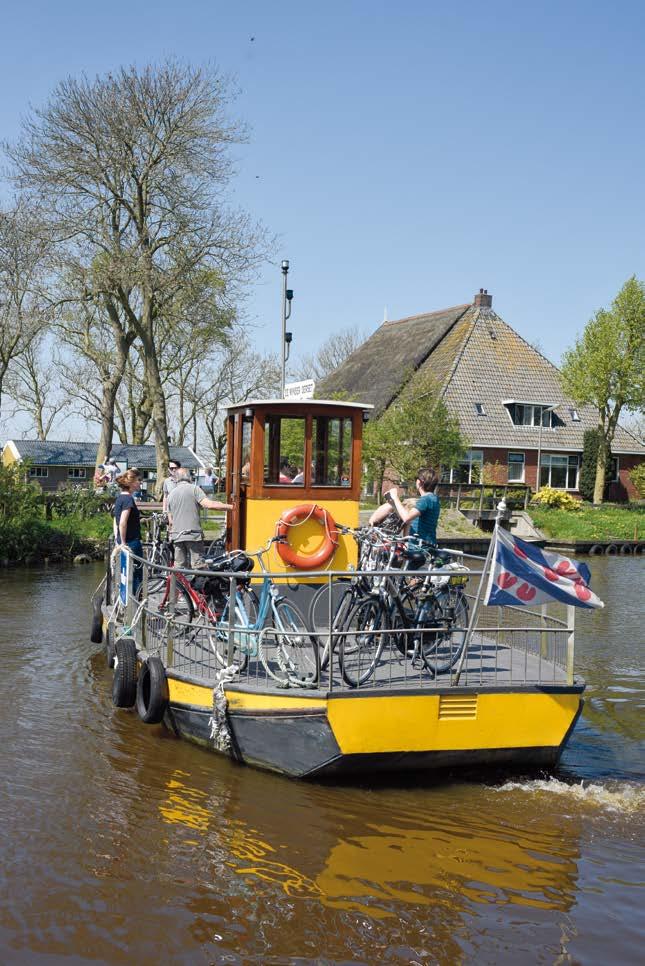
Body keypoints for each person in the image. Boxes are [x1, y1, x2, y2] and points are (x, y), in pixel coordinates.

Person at [167, 467, 234, 570]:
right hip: (193, 535)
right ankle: (198, 586)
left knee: (179, 568)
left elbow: (170, 518)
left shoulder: (171, 494)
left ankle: (177, 586)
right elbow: (209, 505)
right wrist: (231, 507)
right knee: (199, 566)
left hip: (177, 536)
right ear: (189, 477)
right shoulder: (194, 489)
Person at [386, 468, 440, 547]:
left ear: (419, 482)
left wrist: (395, 497)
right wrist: (393, 504)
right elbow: (407, 517)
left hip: (420, 548)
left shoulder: (425, 500)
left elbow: (406, 518)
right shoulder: (434, 498)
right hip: (427, 545)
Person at [113, 469, 143, 594]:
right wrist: (123, 542)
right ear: (131, 483)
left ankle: (126, 602)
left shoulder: (120, 498)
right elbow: (122, 522)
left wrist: (117, 539)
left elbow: (116, 519)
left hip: (124, 540)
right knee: (136, 574)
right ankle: (136, 602)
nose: (140, 484)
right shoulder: (128, 500)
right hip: (131, 543)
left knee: (125, 573)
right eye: (138, 481)